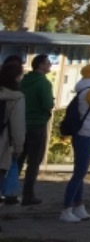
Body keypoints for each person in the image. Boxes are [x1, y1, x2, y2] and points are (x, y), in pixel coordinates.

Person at [61, 59, 90, 223]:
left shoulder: (87, 88)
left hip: (87, 132)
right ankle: (66, 208)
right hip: (86, 133)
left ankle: (79, 206)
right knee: (79, 173)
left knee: (80, 172)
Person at [18, 54, 54, 206]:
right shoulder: (43, 83)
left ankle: (10, 191)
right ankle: (28, 194)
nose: (50, 65)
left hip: (20, 123)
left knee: (18, 159)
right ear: (40, 65)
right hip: (37, 124)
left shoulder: (24, 81)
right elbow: (47, 103)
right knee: (34, 161)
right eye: (47, 63)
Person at [0, 60, 27, 208]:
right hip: (3, 144)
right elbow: (18, 126)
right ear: (17, 77)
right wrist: (18, 147)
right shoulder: (17, 98)